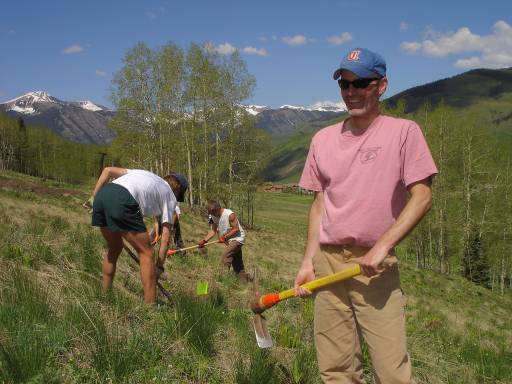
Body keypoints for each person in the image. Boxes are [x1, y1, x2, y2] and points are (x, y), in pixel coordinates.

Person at [293, 48, 438, 383]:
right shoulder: (322, 139)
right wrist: (307, 262)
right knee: (335, 368)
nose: (351, 92)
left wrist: (383, 246)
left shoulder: (404, 132)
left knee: (391, 371)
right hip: (327, 264)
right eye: (345, 84)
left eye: (361, 83)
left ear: (382, 85)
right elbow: (319, 205)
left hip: (374, 266)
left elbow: (422, 197)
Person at [90, 167, 188, 304]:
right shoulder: (170, 196)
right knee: (147, 253)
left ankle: (105, 296)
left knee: (115, 247)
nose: (177, 198)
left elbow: (107, 171)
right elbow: (165, 240)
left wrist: (94, 198)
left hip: (102, 195)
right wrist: (159, 267)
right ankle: (151, 307)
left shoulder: (144, 174)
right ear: (177, 190)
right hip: (123, 199)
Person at [198, 200, 251, 281]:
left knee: (226, 256)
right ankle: (244, 279)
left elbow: (236, 229)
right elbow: (213, 231)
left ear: (216, 209)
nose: (210, 215)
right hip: (229, 241)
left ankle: (221, 279)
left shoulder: (230, 214)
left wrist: (224, 237)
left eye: (211, 213)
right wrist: (204, 241)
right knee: (237, 263)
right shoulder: (213, 217)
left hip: (238, 239)